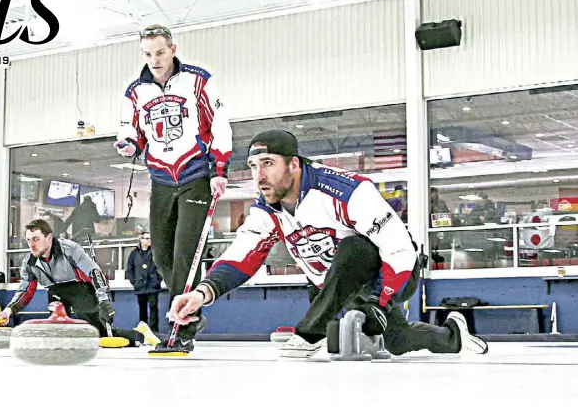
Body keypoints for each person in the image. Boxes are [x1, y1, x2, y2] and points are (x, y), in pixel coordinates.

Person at [168, 129, 489, 358]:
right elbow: (242, 255)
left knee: (354, 247)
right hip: (337, 285)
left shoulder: (346, 191)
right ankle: (455, 335)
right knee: (398, 340)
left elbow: (398, 248)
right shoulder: (267, 207)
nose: (258, 175)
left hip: (392, 273)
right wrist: (201, 293)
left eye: (267, 163)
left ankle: (310, 332)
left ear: (293, 164)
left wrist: (381, 298)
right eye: (253, 166)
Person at [114, 24, 233, 352]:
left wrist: (219, 169)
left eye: (160, 52)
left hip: (196, 176)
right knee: (162, 256)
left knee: (185, 257)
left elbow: (219, 124)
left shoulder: (198, 80)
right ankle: (191, 316)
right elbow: (133, 130)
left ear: (173, 49)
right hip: (161, 181)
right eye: (148, 54)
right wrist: (128, 143)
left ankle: (182, 330)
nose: (154, 59)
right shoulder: (135, 91)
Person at [0, 219, 140, 346]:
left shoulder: (70, 250)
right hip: (56, 294)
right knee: (60, 336)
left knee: (97, 334)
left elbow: (95, 272)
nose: (31, 245)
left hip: (81, 290)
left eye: (36, 239)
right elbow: (25, 291)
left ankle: (138, 336)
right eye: (28, 240)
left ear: (49, 238)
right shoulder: (29, 263)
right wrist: (9, 310)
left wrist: (103, 301)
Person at [126, 231, 162, 333]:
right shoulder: (134, 253)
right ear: (141, 239)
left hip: (153, 286)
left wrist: (157, 280)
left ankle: (154, 332)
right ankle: (144, 333)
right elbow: (130, 269)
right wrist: (134, 282)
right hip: (140, 286)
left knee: (154, 309)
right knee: (142, 311)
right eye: (146, 238)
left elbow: (161, 267)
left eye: (150, 238)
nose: (149, 240)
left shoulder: (155, 252)